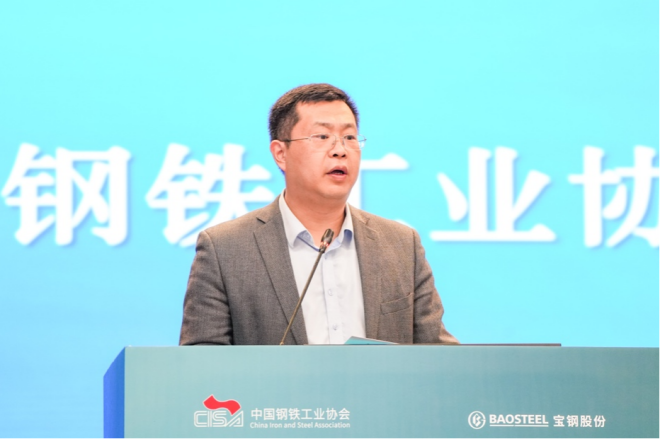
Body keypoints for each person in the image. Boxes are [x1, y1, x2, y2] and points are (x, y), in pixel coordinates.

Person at [179, 83, 457, 345]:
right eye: (322, 137)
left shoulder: (401, 245)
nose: (340, 150)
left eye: (349, 137)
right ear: (280, 153)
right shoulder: (225, 249)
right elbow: (202, 364)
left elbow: (438, 356)